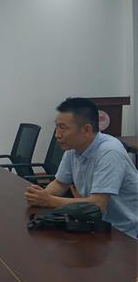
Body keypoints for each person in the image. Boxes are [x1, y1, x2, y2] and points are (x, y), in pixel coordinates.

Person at [24, 97, 138, 238]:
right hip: (94, 223)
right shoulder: (73, 148)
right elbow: (60, 183)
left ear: (86, 129)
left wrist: (48, 200)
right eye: (57, 126)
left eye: (63, 128)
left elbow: (98, 205)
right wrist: (40, 196)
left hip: (124, 232)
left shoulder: (109, 152)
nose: (57, 134)